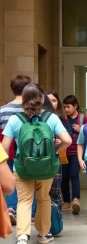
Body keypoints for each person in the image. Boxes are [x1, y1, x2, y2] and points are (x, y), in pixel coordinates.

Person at [2, 83, 71, 244]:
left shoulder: (15, 119)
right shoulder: (51, 118)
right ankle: (43, 234)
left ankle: (22, 237)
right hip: (47, 167)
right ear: (42, 98)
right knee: (43, 198)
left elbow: (4, 146)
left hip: (22, 167)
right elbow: (68, 140)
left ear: (23, 99)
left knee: (24, 200)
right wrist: (54, 150)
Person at [0, 75, 31, 225]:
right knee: (29, 180)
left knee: (11, 179)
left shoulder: (3, 110)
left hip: (7, 150)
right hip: (27, 151)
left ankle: (11, 208)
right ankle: (30, 213)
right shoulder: (31, 109)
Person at [62, 95, 87, 213]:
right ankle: (66, 201)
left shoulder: (84, 118)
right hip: (64, 152)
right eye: (64, 107)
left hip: (77, 152)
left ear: (75, 106)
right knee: (64, 177)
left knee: (74, 174)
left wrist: (81, 129)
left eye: (68, 107)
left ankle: (75, 199)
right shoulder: (63, 119)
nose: (66, 109)